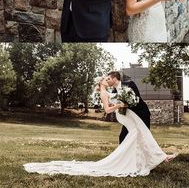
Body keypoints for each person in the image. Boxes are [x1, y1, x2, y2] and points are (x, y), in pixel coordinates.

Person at [23, 76, 177, 177]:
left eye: (107, 78)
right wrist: (121, 104)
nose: (106, 80)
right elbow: (108, 109)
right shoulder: (104, 93)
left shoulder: (109, 91)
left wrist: (121, 102)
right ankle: (159, 157)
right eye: (104, 79)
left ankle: (145, 160)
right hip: (122, 114)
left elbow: (115, 101)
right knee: (139, 133)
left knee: (138, 134)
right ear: (101, 83)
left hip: (127, 114)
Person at [106, 70, 151, 144]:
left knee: (144, 137)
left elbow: (137, 98)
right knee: (123, 137)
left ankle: (149, 154)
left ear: (114, 79)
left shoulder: (130, 84)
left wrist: (126, 104)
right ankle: (124, 155)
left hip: (141, 114)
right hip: (129, 117)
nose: (107, 81)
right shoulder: (114, 92)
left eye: (109, 79)